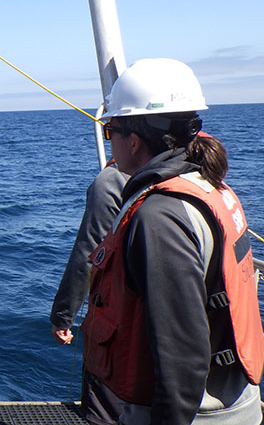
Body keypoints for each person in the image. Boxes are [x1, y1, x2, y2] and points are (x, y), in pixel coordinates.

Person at [82, 58, 263, 424]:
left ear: (133, 141)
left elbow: (182, 356)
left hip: (196, 414)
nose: (109, 140)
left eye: (109, 130)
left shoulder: (159, 217)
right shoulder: (210, 187)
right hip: (237, 399)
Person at [50, 161, 127, 425]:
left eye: (111, 131)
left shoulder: (113, 181)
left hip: (122, 327)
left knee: (104, 413)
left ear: (134, 140)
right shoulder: (201, 177)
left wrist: (62, 316)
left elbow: (89, 254)